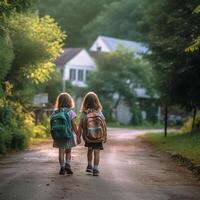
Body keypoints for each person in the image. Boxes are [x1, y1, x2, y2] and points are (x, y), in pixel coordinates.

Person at [77, 92, 107, 176]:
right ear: (97, 101)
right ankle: (95, 168)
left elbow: (80, 126)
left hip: (88, 136)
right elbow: (104, 125)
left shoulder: (84, 113)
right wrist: (105, 136)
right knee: (97, 152)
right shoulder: (99, 113)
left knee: (90, 150)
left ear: (85, 102)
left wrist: (78, 136)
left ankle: (89, 165)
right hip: (98, 136)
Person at [53, 92, 81, 175]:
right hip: (68, 135)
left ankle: (62, 167)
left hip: (58, 135)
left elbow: (52, 123)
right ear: (69, 101)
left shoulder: (55, 112)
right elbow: (74, 125)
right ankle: (68, 165)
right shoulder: (70, 112)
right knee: (68, 151)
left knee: (61, 151)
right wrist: (78, 135)